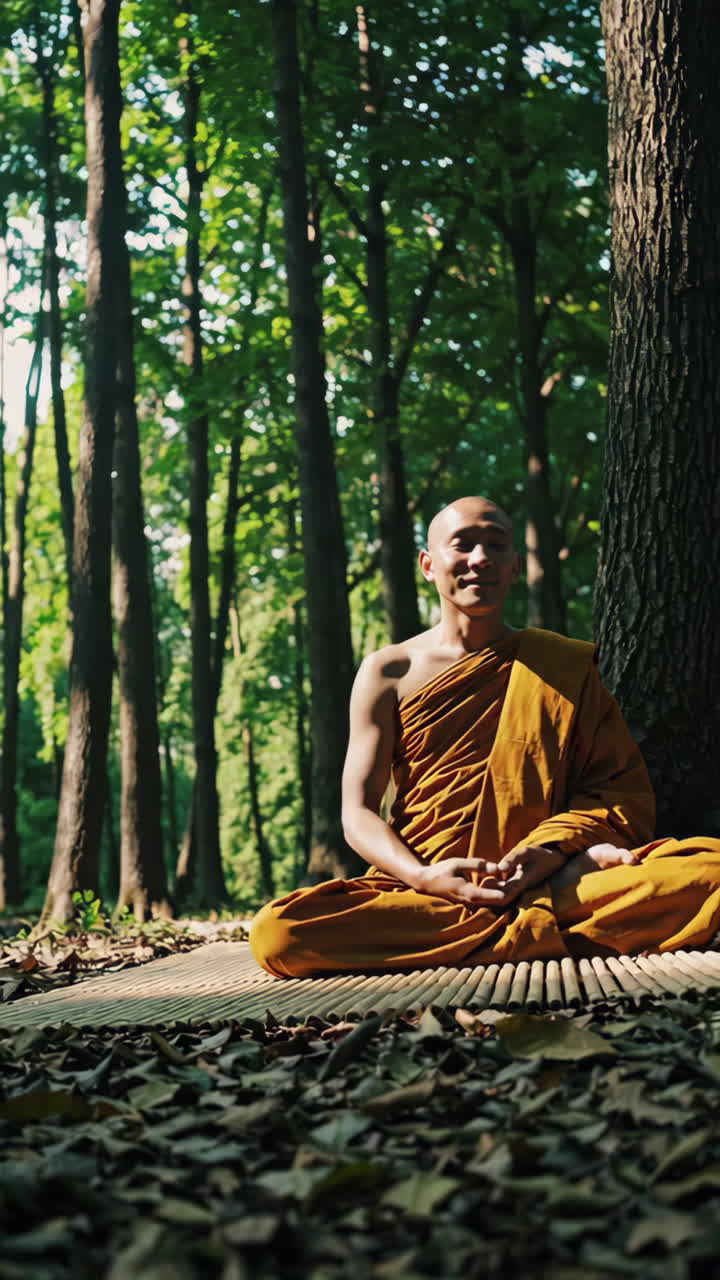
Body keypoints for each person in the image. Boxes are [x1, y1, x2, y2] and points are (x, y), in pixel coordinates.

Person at [250, 496, 720, 977]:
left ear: (514, 567)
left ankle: (515, 916)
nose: (481, 559)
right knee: (278, 933)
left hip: (548, 874)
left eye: (496, 545)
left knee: (711, 872)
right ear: (429, 565)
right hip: (425, 887)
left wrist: (551, 854)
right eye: (464, 544)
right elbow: (357, 813)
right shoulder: (388, 671)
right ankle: (538, 925)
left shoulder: (560, 666)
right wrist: (423, 876)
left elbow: (618, 793)